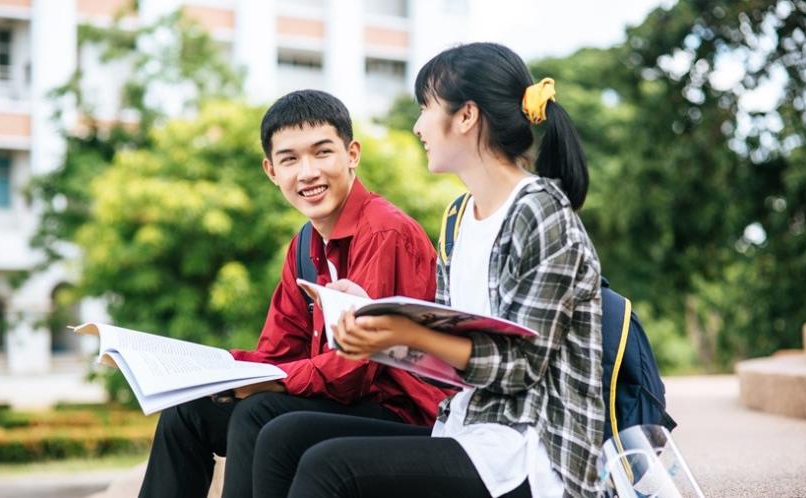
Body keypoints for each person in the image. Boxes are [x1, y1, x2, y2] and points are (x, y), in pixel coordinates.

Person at [250, 43, 605, 498]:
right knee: (283, 437)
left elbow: (520, 367)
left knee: (330, 466)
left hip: (533, 451)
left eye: (426, 108)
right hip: (467, 430)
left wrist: (406, 333)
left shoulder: (538, 213)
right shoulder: (459, 217)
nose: (418, 126)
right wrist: (369, 310)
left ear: (465, 117)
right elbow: (445, 345)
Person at [137, 90, 451, 498]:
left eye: (322, 153)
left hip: (403, 414)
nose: (307, 173)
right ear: (271, 170)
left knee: (258, 411)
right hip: (347, 402)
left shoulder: (384, 231)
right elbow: (277, 352)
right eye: (289, 159)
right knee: (188, 412)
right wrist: (202, 371)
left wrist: (269, 382)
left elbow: (354, 372)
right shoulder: (304, 246)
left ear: (352, 153)